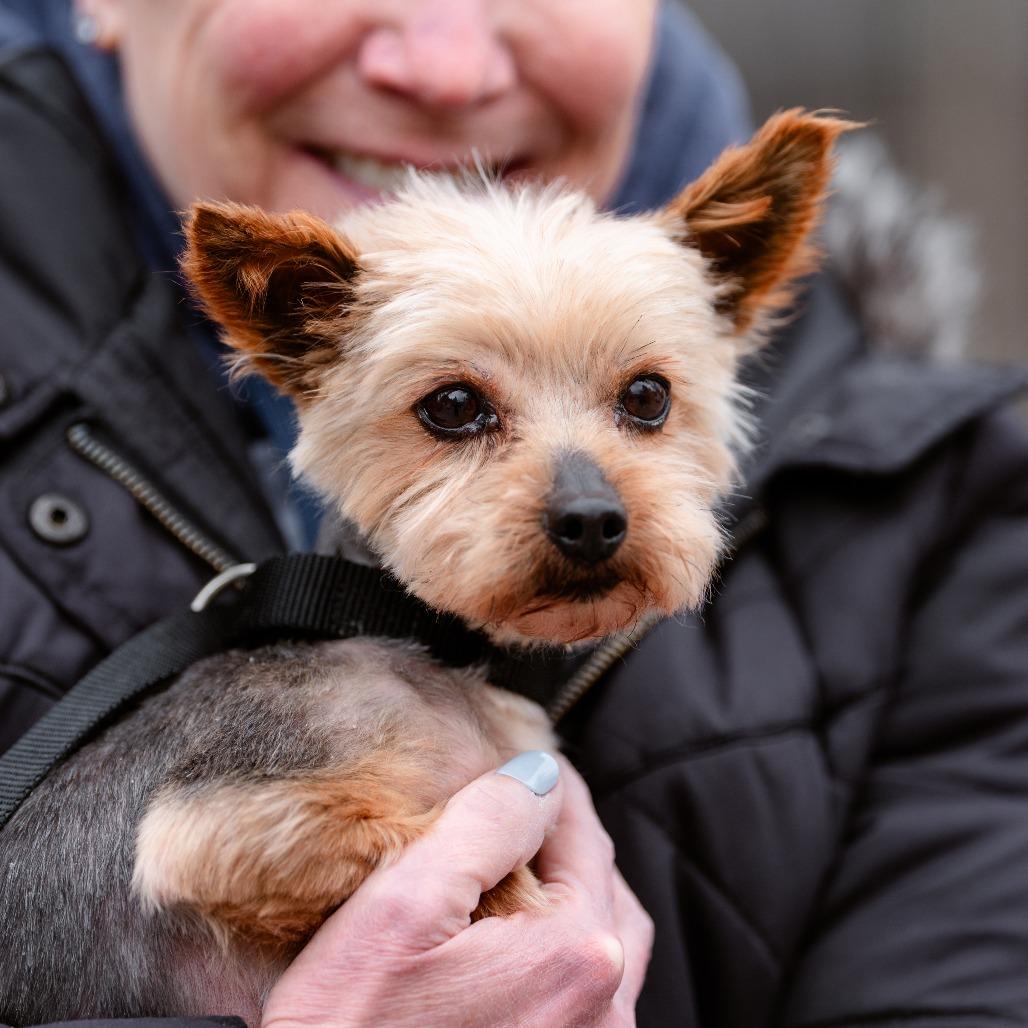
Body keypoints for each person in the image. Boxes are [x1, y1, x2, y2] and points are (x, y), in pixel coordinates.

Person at [2, 3, 1028, 1028]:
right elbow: (225, 852)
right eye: (458, 409)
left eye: (642, 401)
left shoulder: (949, 501)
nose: (447, 67)